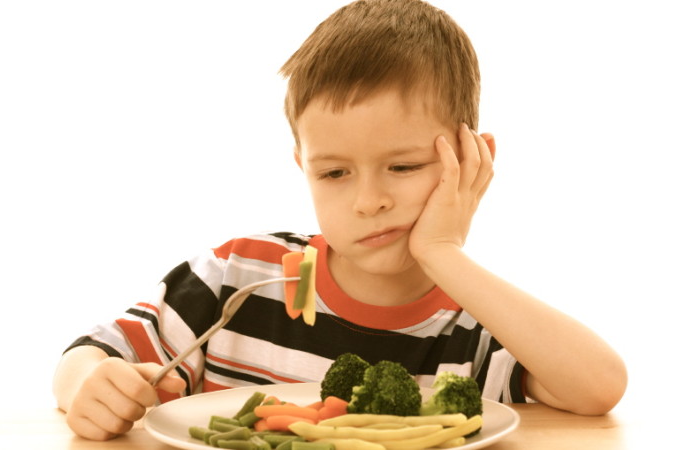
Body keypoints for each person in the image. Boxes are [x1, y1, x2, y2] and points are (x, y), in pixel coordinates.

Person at [53, 0, 627, 441]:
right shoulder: (239, 275)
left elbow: (598, 386)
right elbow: (89, 355)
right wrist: (89, 385)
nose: (368, 201)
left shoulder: (476, 327)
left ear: (470, 158)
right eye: (334, 174)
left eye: (402, 166)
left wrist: (443, 252)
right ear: (302, 164)